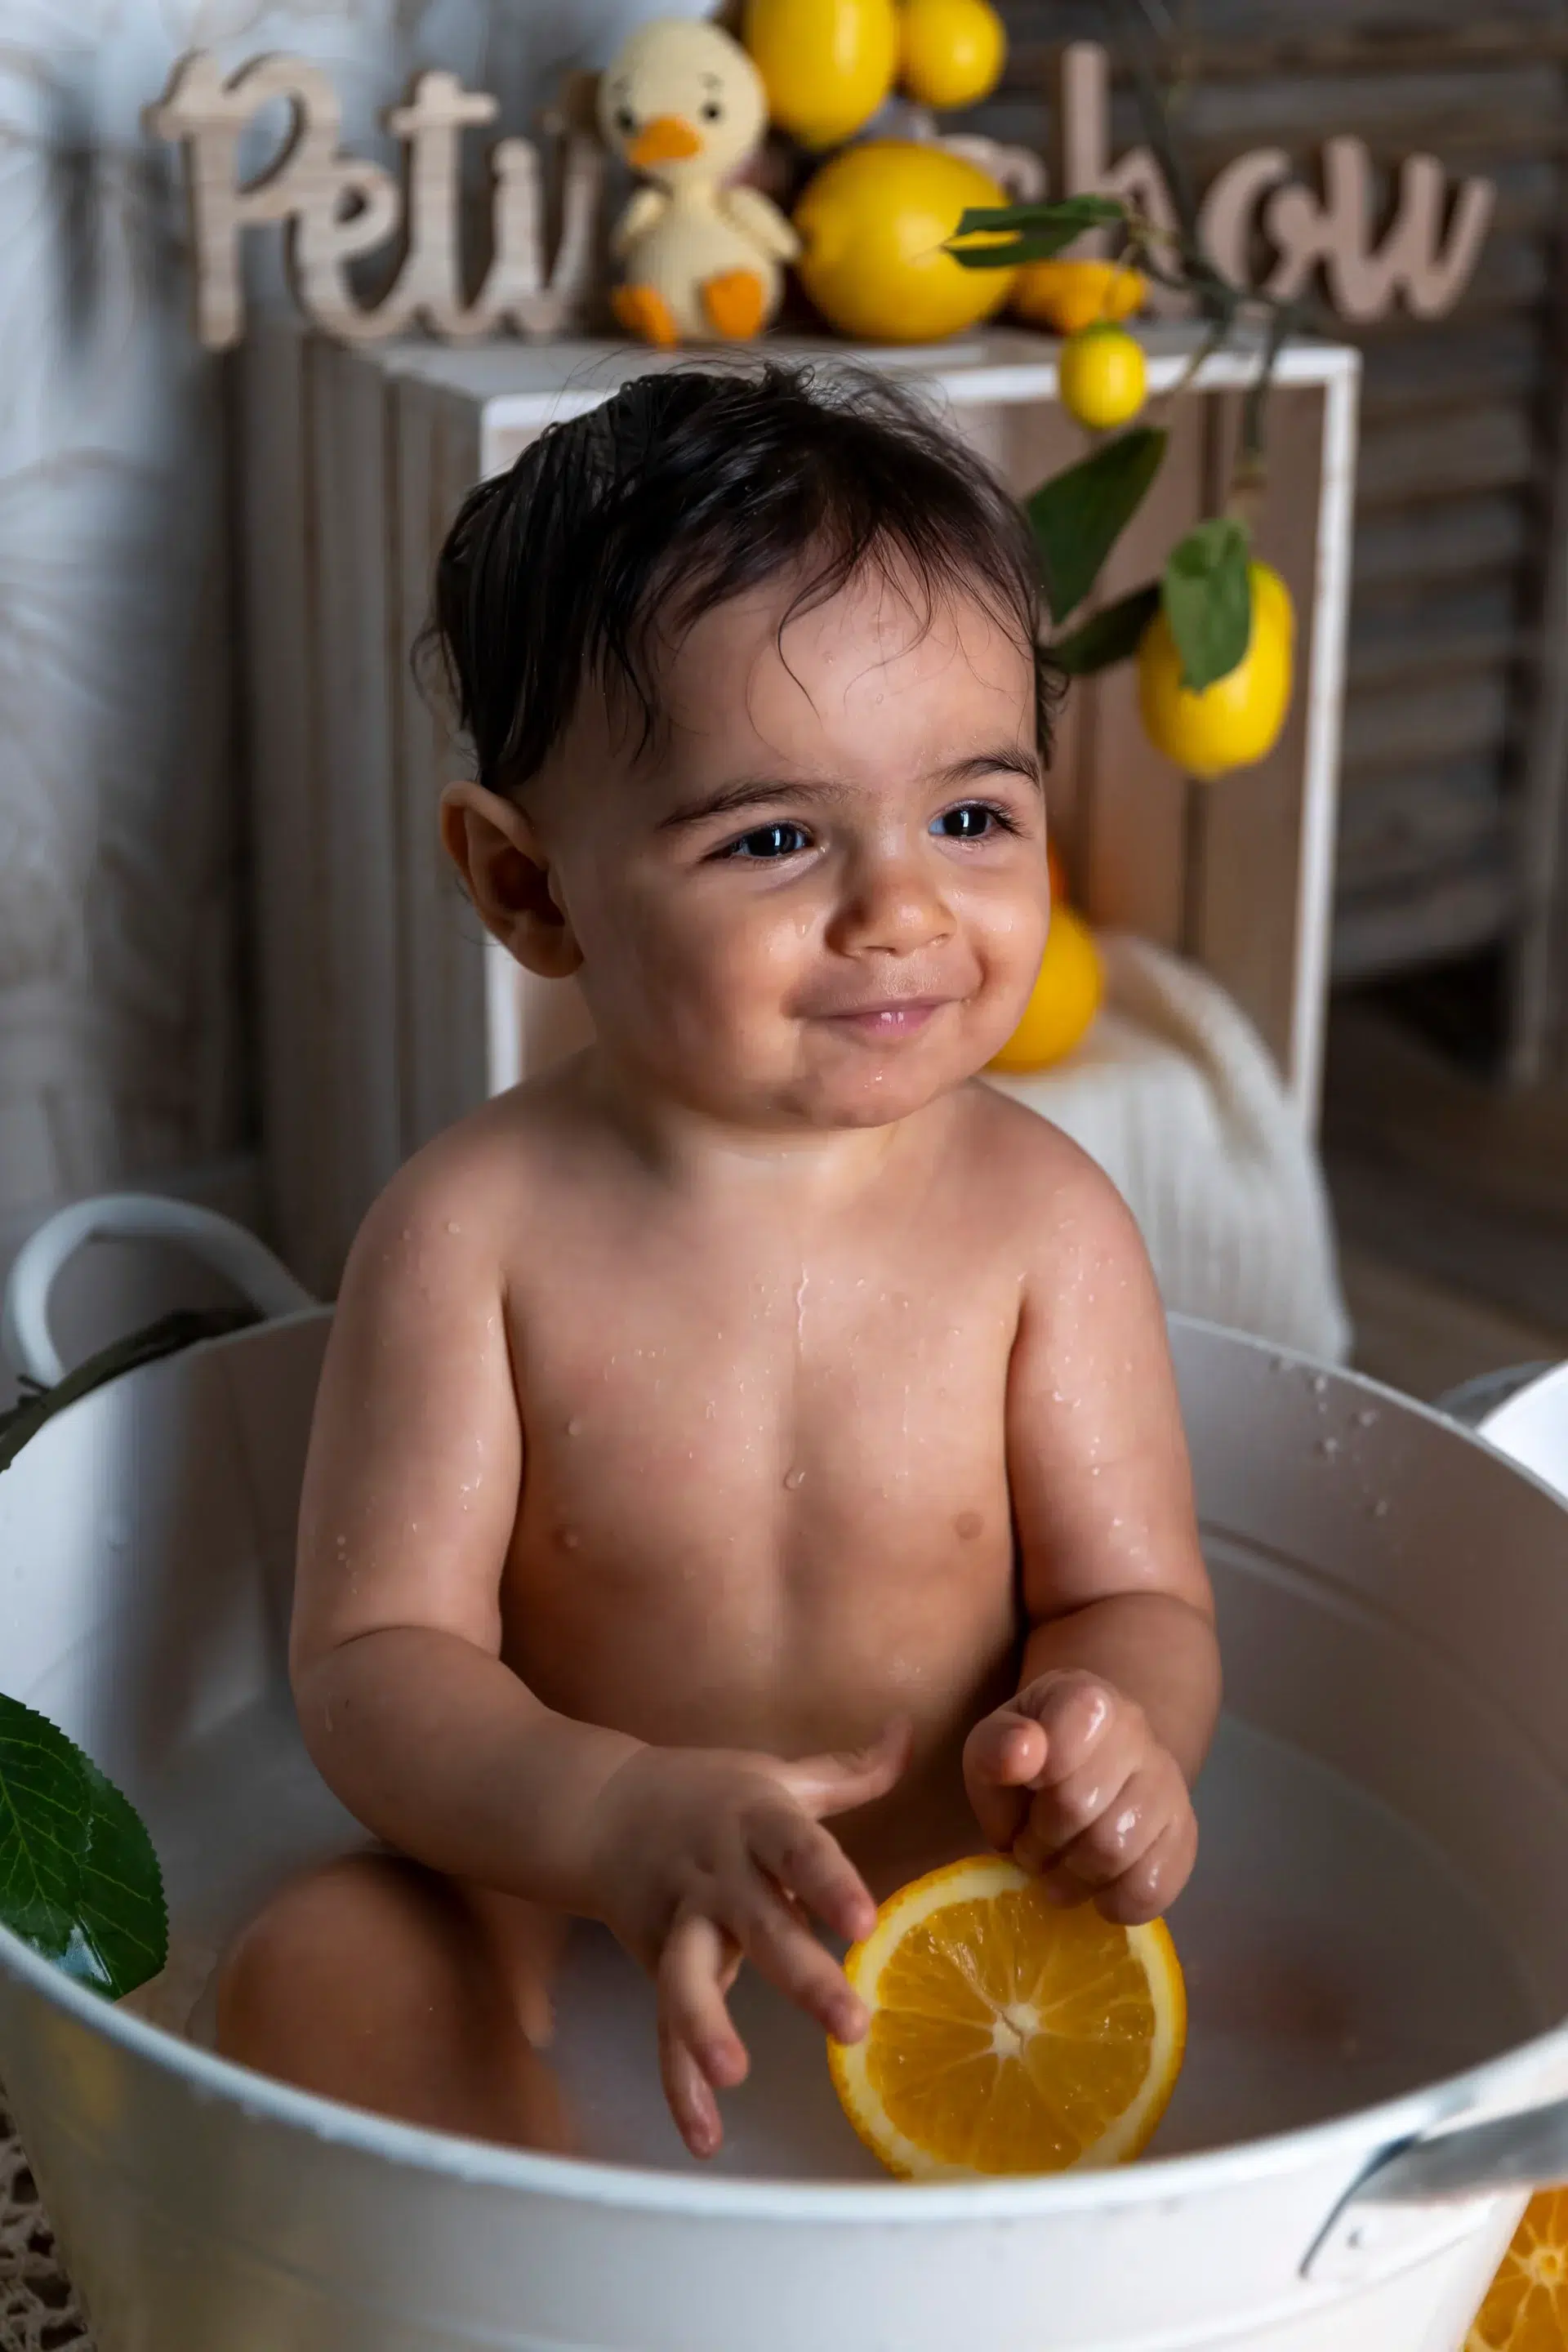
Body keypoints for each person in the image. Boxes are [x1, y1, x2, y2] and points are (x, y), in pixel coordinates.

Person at [217, 363, 1219, 2163]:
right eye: (773, 837)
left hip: (949, 1927)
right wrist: (609, 1815)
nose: (903, 907)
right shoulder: (472, 1235)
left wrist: (1115, 1739)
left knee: (1254, 2029)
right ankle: (522, 2247)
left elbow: (1134, 1599)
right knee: (316, 1960)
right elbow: (377, 1664)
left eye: (973, 816)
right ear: (530, 892)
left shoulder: (1044, 1224)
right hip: (554, 1885)